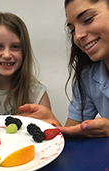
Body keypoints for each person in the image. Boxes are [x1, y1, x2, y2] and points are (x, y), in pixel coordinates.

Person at [19, 0, 109, 137]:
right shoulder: (87, 77)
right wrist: (54, 126)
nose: (78, 36)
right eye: (72, 30)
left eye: (87, 19)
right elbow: (72, 132)